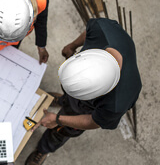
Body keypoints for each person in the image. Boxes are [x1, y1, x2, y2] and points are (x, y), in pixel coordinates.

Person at [25, 18, 142, 165]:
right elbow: (89, 32)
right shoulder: (102, 30)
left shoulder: (117, 103)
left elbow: (92, 121)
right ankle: (64, 100)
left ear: (97, 95)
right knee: (69, 99)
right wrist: (73, 45)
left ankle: (44, 149)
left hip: (85, 111)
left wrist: (57, 120)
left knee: (61, 131)